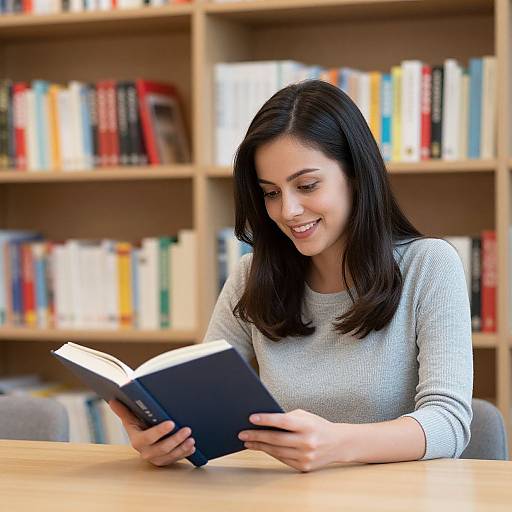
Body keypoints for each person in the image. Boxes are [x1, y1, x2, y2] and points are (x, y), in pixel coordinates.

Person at [110, 79, 473, 472]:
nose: (289, 211)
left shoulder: (429, 266)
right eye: (270, 193)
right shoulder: (252, 275)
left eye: (307, 185)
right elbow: (200, 398)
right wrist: (164, 438)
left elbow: (449, 423)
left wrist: (339, 444)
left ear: (355, 175)